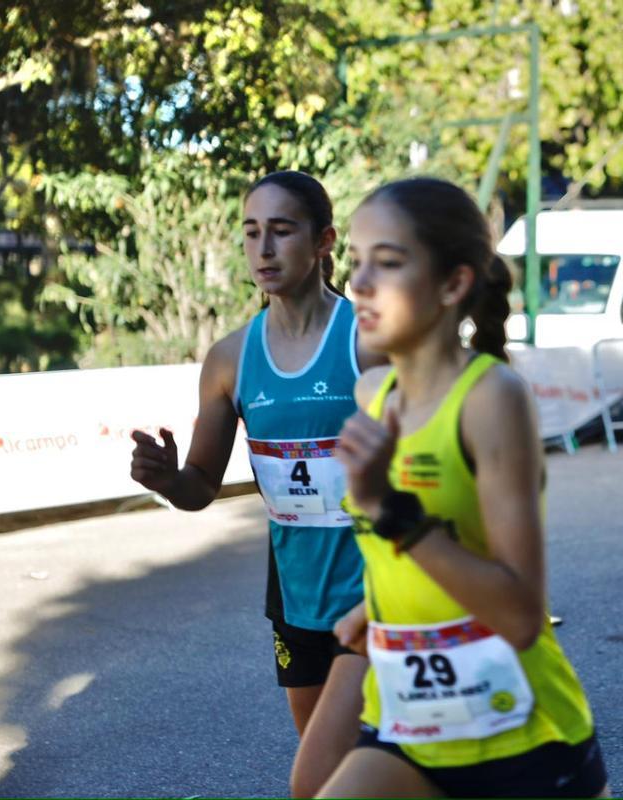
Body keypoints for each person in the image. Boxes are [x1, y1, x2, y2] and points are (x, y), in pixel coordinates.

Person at [317, 177, 607, 799]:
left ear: (453, 285)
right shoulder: (373, 395)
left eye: (388, 264)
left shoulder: (491, 399)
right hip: (408, 720)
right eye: (357, 262)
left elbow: (522, 615)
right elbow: (438, 547)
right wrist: (374, 607)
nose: (359, 284)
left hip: (520, 737)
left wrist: (389, 511)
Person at [128, 171, 384, 797]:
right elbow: (200, 487)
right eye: (251, 233)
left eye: (281, 231)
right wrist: (167, 479)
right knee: (328, 777)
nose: (263, 249)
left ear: (323, 240)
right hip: (295, 594)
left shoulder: (370, 342)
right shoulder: (229, 358)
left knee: (323, 780)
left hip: (376, 589)